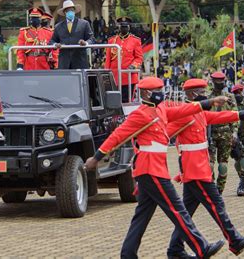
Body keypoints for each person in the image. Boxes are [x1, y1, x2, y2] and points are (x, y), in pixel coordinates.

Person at [85, 76, 228, 259]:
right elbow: (117, 136)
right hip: (150, 169)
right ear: (146, 93)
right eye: (157, 91)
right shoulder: (140, 114)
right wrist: (96, 158)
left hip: (154, 169)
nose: (161, 94)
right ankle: (201, 247)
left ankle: (128, 254)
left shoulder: (160, 109)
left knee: (142, 216)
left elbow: (184, 109)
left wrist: (208, 102)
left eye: (161, 90)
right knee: (177, 210)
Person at [166, 79, 244, 258]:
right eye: (202, 91)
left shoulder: (199, 112)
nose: (206, 94)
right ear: (193, 94)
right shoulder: (184, 115)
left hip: (199, 168)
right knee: (216, 204)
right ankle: (234, 239)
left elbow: (218, 117)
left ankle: (175, 249)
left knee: (186, 212)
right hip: (194, 170)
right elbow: (164, 133)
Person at [207, 71, 238, 194]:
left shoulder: (230, 97)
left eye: (221, 81)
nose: (220, 83)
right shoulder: (209, 98)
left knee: (223, 165)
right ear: (213, 82)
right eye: (217, 81)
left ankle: (219, 190)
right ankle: (212, 189)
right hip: (211, 133)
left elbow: (235, 115)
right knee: (209, 164)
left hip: (226, 133)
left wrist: (234, 132)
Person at [104, 17, 143, 102]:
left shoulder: (135, 41)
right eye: (122, 26)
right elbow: (108, 60)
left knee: (127, 102)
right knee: (114, 102)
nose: (124, 28)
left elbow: (139, 57)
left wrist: (133, 66)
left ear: (129, 27)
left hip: (128, 77)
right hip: (114, 77)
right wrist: (106, 74)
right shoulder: (112, 41)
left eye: (125, 26)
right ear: (119, 27)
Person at [49, 0, 95, 69]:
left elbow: (92, 38)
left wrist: (85, 43)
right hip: (64, 62)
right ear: (64, 13)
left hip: (80, 61)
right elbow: (52, 41)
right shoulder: (58, 26)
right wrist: (55, 45)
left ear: (74, 11)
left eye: (72, 10)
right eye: (68, 10)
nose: (70, 12)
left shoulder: (84, 24)